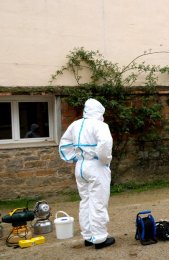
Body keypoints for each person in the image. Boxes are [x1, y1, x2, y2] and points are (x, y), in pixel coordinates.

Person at [59, 98, 115, 249]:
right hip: (96, 165)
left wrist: (73, 158)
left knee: (85, 201)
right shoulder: (100, 125)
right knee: (98, 201)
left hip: (80, 165)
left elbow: (64, 144)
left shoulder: (75, 125)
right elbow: (105, 143)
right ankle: (100, 238)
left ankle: (88, 236)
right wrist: (105, 159)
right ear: (99, 111)